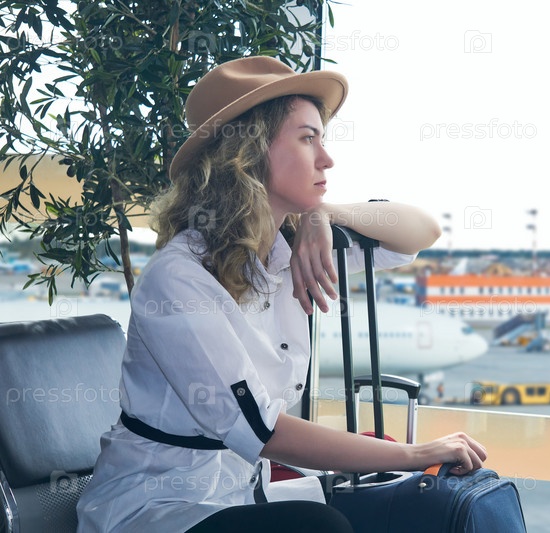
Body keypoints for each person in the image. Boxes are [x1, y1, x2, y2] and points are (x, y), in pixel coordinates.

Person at [76, 56, 487, 532]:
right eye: (308, 139)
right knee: (322, 526)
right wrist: (415, 453)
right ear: (248, 153)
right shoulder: (178, 279)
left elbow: (419, 231)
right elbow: (263, 430)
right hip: (160, 509)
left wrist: (322, 213)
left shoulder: (289, 251)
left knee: (429, 507)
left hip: (246, 492)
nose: (327, 159)